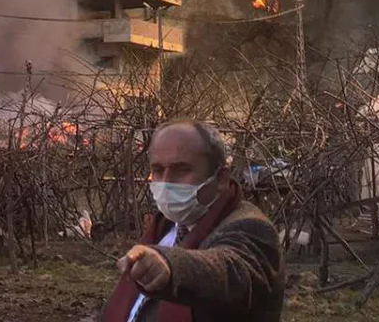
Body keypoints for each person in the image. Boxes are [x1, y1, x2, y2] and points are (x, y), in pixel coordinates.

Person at [105, 121, 284, 322]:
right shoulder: (166, 225)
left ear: (221, 179)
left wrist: (170, 266)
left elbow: (226, 271)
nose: (166, 181)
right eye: (157, 170)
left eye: (181, 169)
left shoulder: (252, 227)